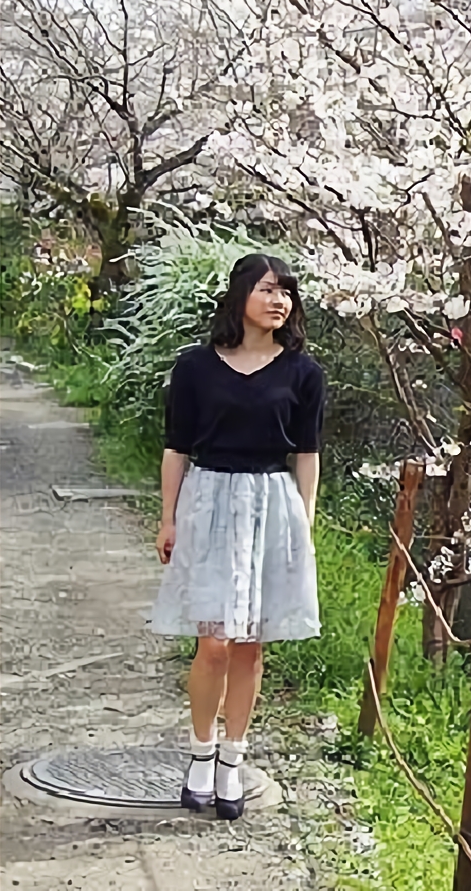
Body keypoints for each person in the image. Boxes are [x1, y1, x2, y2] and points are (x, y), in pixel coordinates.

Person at [151, 254, 327, 820]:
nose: (279, 301)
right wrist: (168, 517)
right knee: (214, 642)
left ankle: (234, 756)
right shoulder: (195, 367)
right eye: (268, 289)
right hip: (210, 498)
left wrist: (305, 522)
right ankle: (201, 751)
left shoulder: (303, 372)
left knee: (251, 645)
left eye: (287, 292)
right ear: (240, 295)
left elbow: (307, 453)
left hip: (272, 503)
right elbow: (177, 446)